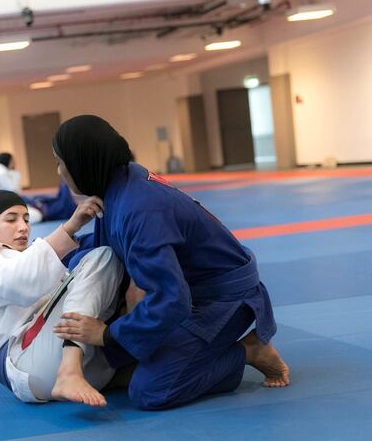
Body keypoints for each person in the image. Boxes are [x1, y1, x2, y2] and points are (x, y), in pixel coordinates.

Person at [51, 114, 290, 411]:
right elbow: (109, 250)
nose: (59, 171)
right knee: (119, 360)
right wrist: (52, 251)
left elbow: (172, 299)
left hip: (223, 300)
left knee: (150, 390)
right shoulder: (120, 184)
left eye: (61, 162)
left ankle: (248, 351)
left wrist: (108, 333)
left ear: (82, 161)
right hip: (191, 288)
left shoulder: (138, 209)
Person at [0, 190, 126, 406]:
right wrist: (70, 227)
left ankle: (100, 368)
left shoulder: (22, 259)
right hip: (27, 362)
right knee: (102, 257)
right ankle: (69, 371)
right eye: (11, 219)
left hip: (68, 366)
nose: (23, 227)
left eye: (26, 219)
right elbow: (19, 282)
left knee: (114, 266)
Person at [0, 152, 76, 223]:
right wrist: (15, 173)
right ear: (8, 161)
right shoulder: (2, 174)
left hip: (12, 202)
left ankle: (61, 202)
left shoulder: (2, 172)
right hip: (8, 205)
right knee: (39, 210)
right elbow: (14, 189)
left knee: (41, 200)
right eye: (13, 161)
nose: (14, 163)